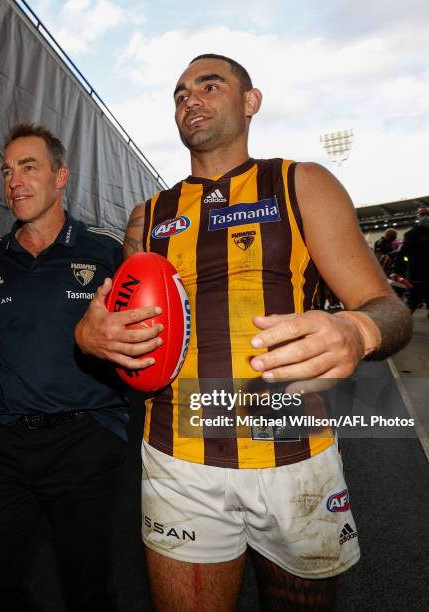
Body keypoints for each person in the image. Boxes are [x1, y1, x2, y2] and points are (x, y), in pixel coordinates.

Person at [75, 55, 412, 610]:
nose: (191, 99)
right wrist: (92, 338)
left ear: (251, 101)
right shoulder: (148, 215)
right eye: (180, 93)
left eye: (211, 85)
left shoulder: (301, 182)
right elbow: (124, 331)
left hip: (293, 456)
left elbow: (387, 308)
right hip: (176, 458)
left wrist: (357, 331)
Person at [0, 123, 129, 611]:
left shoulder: (105, 251)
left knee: (85, 587)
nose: (14, 180)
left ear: (61, 177)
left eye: (28, 167)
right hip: (4, 441)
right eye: (7, 171)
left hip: (84, 441)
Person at [394, 207, 429, 314]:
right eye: (422, 214)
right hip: (416, 274)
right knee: (411, 304)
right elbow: (402, 254)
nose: (425, 217)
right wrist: (398, 271)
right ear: (417, 216)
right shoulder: (410, 234)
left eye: (427, 214)